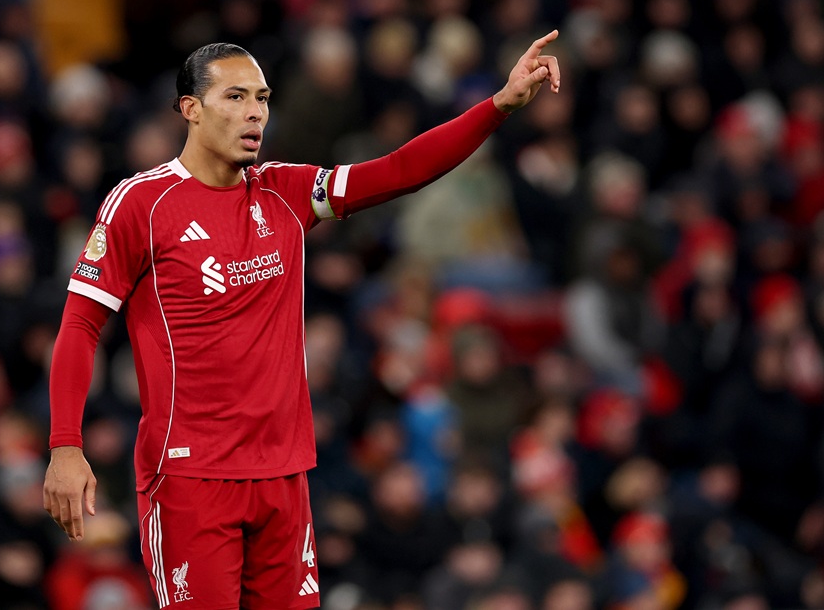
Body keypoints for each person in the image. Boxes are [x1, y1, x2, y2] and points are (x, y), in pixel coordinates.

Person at [43, 31, 562, 609]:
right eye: (235, 97)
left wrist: (499, 106)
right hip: (192, 477)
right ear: (190, 109)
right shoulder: (141, 204)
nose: (254, 114)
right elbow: (80, 326)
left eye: (262, 98)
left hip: (283, 473)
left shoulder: (285, 192)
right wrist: (66, 445)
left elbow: (398, 171)